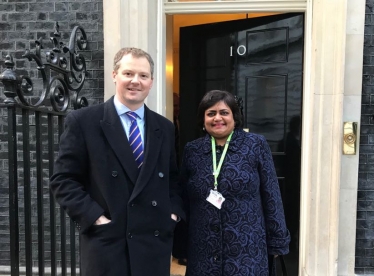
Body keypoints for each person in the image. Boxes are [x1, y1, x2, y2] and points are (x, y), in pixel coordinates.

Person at [50, 47, 185, 276]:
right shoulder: (85, 122)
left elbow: (173, 178)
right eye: (128, 73)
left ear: (151, 82)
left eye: (143, 76)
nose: (136, 81)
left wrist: (172, 214)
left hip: (152, 245)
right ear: (114, 75)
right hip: (108, 243)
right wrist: (94, 217)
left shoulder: (164, 127)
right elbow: (63, 180)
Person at [180, 90, 290, 275]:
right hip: (203, 250)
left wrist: (277, 241)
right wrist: (180, 244)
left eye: (224, 112)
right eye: (211, 113)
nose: (217, 118)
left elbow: (271, 194)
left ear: (235, 117)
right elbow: (183, 198)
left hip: (247, 249)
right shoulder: (192, 150)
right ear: (203, 119)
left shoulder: (255, 145)